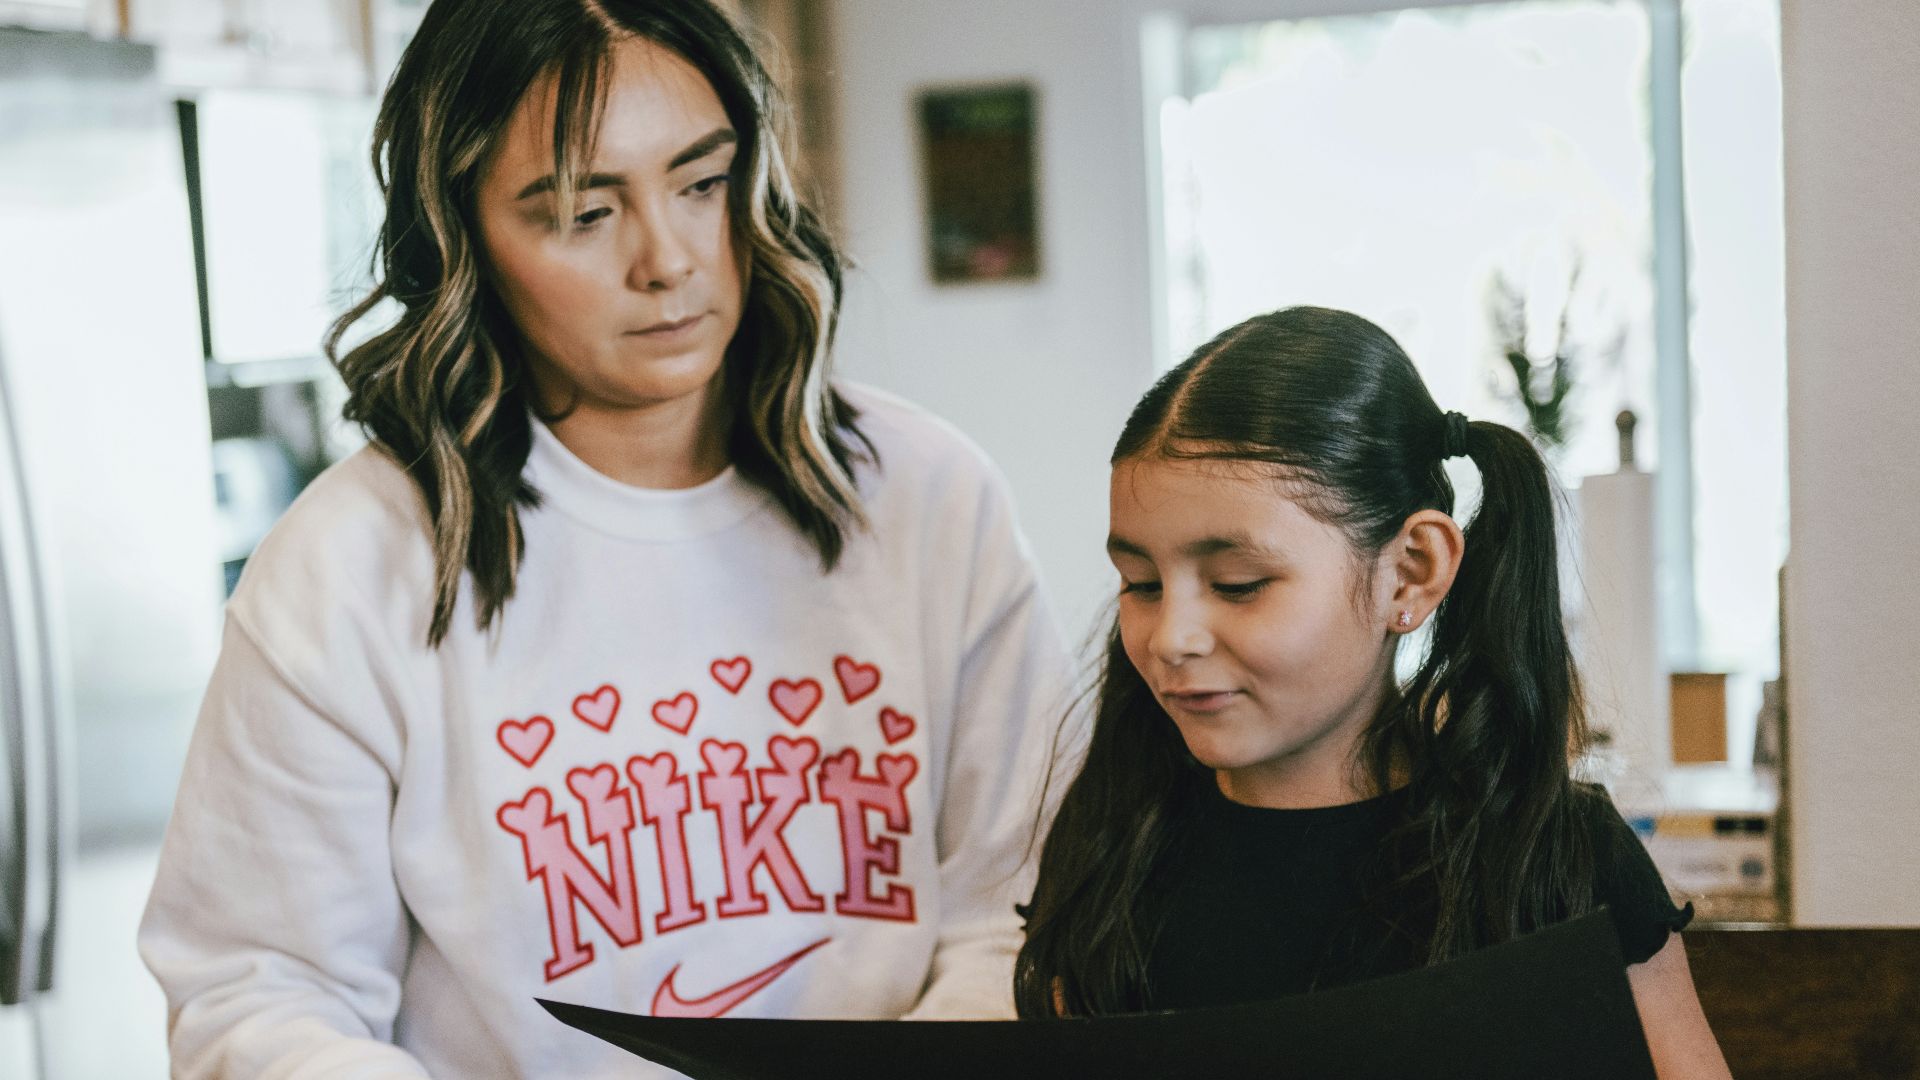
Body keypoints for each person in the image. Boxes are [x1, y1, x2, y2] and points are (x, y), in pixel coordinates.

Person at [138, 1, 1068, 1076]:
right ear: (462, 238)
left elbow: (1020, 911)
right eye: (585, 213)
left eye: (701, 183)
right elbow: (259, 996)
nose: (667, 259)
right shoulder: (350, 568)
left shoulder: (928, 497)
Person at [1013, 307, 1731, 1078]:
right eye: (1141, 584)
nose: (1170, 637)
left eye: (1238, 583)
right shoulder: (1111, 851)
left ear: (1411, 572)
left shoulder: (1552, 856)